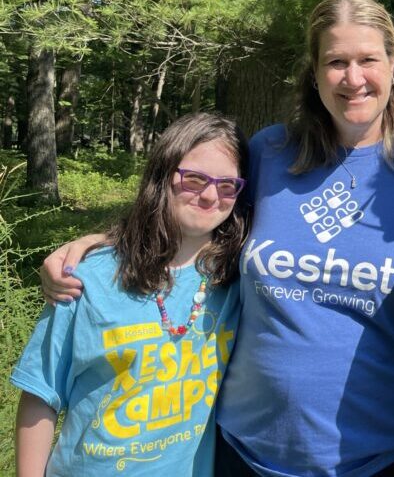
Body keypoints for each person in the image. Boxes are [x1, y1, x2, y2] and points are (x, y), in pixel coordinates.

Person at [39, 0, 394, 477]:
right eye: (336, 61)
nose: (354, 78)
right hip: (245, 451)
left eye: (368, 59)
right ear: (314, 72)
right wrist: (103, 241)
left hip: (384, 457)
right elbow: (198, 216)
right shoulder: (270, 153)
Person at [13, 112, 248, 476]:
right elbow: (41, 394)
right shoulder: (89, 277)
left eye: (227, 185)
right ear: (162, 175)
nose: (210, 195)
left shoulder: (236, 279)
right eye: (194, 179)